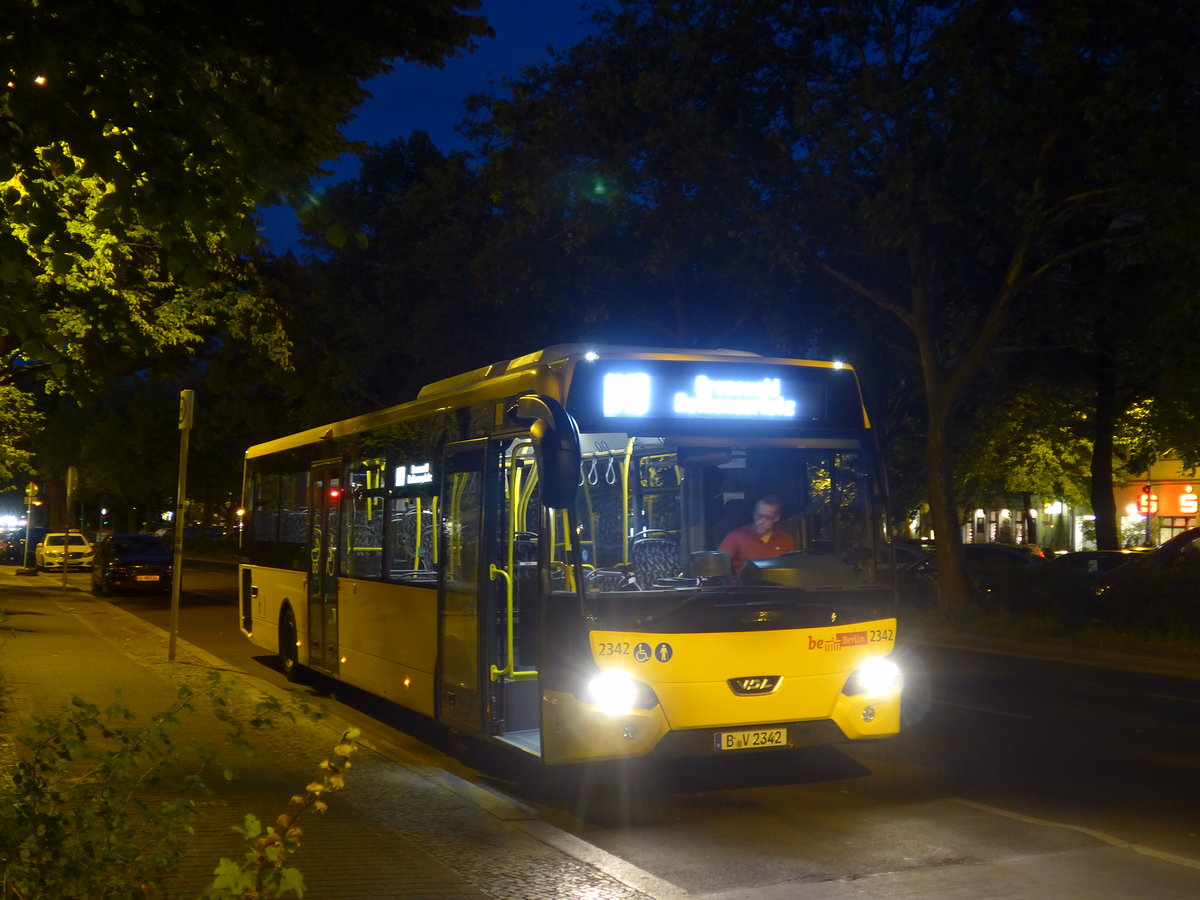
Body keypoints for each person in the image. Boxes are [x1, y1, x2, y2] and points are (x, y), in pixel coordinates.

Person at [718, 495, 795, 576]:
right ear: (753, 513)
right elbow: (717, 566)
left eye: (767, 517)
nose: (761, 521)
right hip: (747, 587)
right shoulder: (735, 537)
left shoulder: (785, 539)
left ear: (776, 518)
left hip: (780, 586)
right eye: (759, 515)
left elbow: (793, 569)